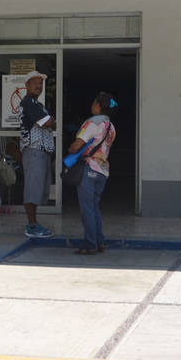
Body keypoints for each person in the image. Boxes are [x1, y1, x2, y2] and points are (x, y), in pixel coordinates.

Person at [67, 92, 117, 254]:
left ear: (98, 106)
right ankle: (99, 241)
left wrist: (71, 149)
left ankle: (90, 244)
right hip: (102, 171)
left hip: (89, 169)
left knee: (87, 209)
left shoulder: (93, 123)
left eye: (94, 103)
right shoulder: (111, 127)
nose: (92, 105)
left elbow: (77, 145)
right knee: (94, 207)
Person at [18, 71, 55, 238]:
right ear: (27, 85)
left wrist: (51, 122)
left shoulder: (38, 104)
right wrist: (50, 121)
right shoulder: (28, 102)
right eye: (35, 83)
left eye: (41, 83)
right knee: (32, 189)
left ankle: (34, 224)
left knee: (38, 188)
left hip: (41, 151)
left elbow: (52, 124)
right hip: (33, 150)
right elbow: (47, 123)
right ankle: (32, 226)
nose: (39, 86)